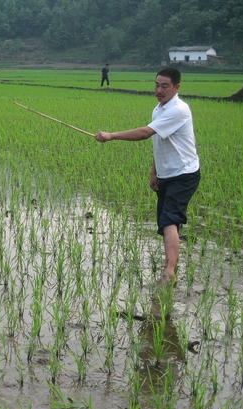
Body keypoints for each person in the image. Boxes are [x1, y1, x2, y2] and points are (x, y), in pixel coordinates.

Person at [94, 67, 200, 296]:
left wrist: (111, 135)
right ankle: (170, 268)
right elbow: (159, 142)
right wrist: (155, 172)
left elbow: (145, 133)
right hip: (167, 173)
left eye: (165, 86)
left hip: (184, 174)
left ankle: (169, 272)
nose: (159, 90)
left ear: (176, 88)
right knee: (165, 224)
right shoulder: (158, 109)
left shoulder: (179, 110)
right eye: (156, 85)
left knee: (169, 219)